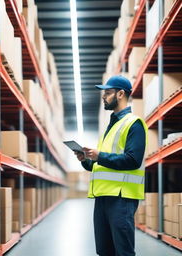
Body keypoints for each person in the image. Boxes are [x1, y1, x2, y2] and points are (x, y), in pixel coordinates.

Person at [74, 75, 148, 256]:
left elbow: (132, 160)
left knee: (123, 251)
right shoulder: (110, 127)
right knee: (104, 250)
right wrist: (86, 160)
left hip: (121, 197)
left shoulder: (134, 124)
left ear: (121, 94)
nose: (103, 97)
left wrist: (100, 155)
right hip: (103, 196)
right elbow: (101, 165)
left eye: (107, 93)